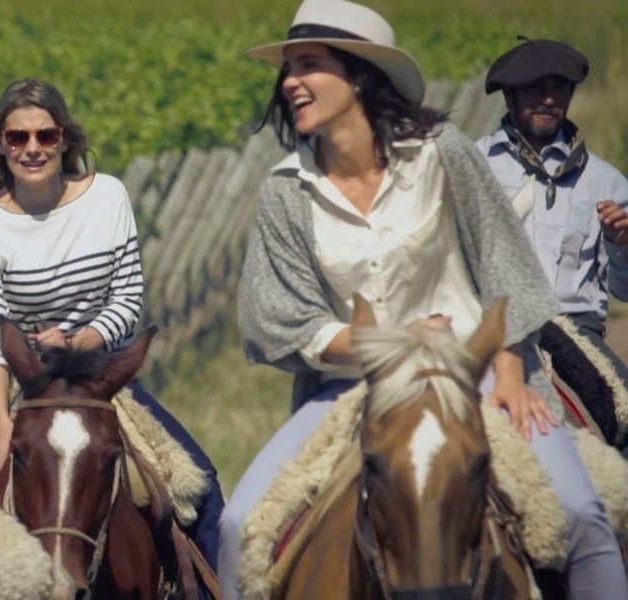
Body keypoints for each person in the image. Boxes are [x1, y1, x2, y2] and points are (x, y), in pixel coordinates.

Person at [225, 1, 628, 598]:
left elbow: (506, 266)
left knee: (581, 517)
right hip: (354, 386)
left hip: (476, 373)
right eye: (287, 69)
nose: (289, 82)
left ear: (359, 73)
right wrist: (391, 344)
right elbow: (279, 319)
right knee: (238, 529)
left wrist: (513, 374)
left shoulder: (442, 152)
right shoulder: (287, 188)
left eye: (307, 65)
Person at [0, 78, 224, 575]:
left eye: (46, 135)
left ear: (66, 139)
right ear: (0, 144)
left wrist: (79, 344)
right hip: (24, 382)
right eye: (18, 138)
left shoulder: (107, 196)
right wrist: (1, 428)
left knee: (202, 491)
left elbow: (128, 298)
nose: (33, 149)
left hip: (101, 377)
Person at [475, 38, 628, 448]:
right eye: (534, 89)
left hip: (573, 331)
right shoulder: (473, 167)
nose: (548, 99)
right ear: (510, 96)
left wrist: (620, 243)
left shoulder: (608, 181)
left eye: (559, 89)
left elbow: (623, 290)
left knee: (625, 413)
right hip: (487, 324)